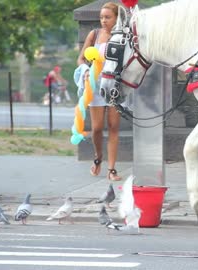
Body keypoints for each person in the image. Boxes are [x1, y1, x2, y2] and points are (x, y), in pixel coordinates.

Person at [76, 2, 122, 181]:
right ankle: (98, 157)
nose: (103, 20)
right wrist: (86, 70)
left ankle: (112, 169)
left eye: (108, 17)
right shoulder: (94, 34)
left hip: (115, 86)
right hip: (95, 85)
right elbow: (80, 59)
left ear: (117, 18)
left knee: (113, 126)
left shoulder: (122, 37)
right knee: (96, 128)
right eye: (102, 17)